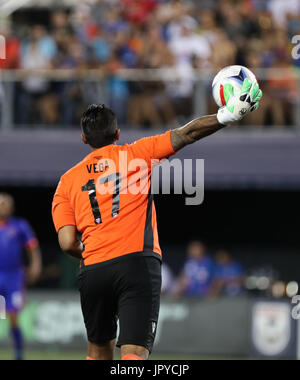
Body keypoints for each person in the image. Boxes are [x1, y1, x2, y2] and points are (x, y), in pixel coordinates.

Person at [52, 78, 262, 360]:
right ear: (117, 134)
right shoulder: (135, 154)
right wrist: (228, 114)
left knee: (98, 353)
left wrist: (89, 254)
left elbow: (66, 241)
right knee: (134, 353)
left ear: (83, 139)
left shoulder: (66, 182)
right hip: (136, 263)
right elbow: (187, 133)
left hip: (93, 270)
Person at [0, 194, 42, 360]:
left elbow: (32, 247)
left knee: (13, 316)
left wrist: (35, 265)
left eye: (7, 204)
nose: (4, 206)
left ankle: (18, 353)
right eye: (2, 203)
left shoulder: (20, 225)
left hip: (14, 277)